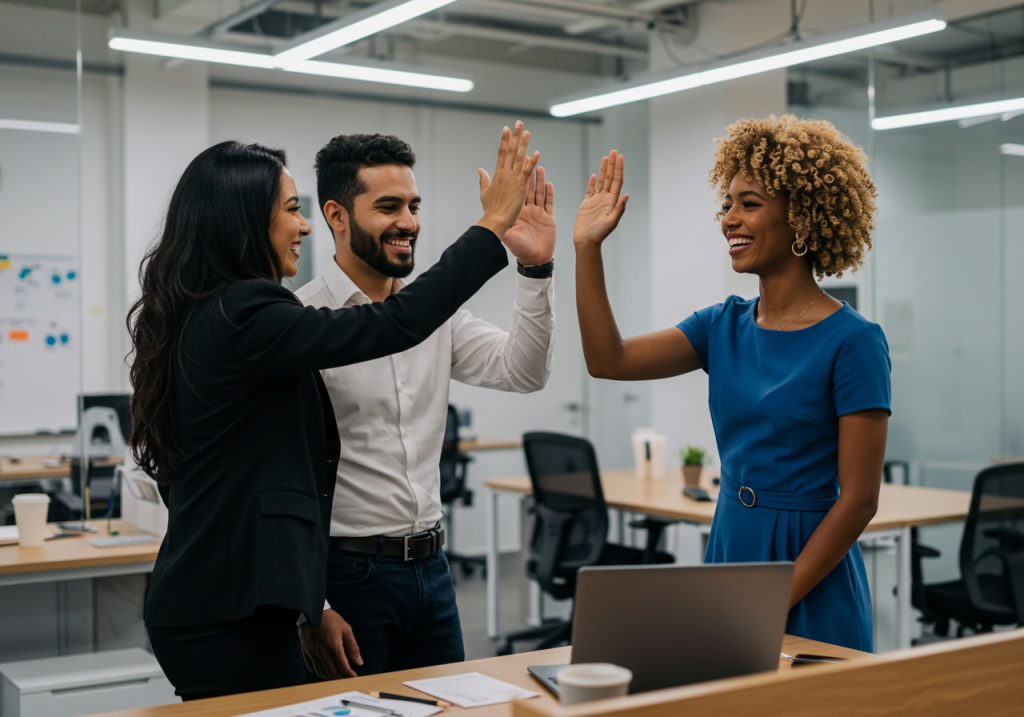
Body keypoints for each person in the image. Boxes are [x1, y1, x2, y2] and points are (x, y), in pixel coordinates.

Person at [129, 125, 542, 700]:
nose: (303, 226)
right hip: (232, 606)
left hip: (228, 596)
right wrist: (490, 225)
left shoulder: (209, 311)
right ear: (243, 219)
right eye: (291, 210)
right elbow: (393, 324)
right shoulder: (248, 311)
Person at [572, 115, 889, 652]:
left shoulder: (854, 340)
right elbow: (610, 360)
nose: (728, 219)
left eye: (750, 202)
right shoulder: (722, 326)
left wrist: (771, 597)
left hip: (808, 563)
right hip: (731, 541)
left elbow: (858, 501)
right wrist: (587, 248)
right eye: (727, 203)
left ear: (802, 216)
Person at [295, 126, 555, 678]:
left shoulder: (434, 315)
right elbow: (276, 474)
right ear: (337, 216)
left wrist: (534, 271)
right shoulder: (303, 322)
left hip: (431, 570)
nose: (409, 222)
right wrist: (310, 605)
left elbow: (524, 371)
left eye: (413, 205)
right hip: (347, 576)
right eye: (388, 206)